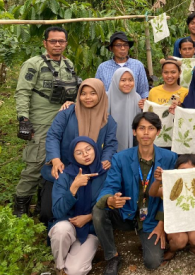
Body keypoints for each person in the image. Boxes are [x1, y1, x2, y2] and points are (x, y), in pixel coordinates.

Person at [93, 112, 178, 274]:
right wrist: (110, 199)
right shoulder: (120, 158)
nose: (146, 133)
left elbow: (173, 196)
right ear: (134, 132)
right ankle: (112, 256)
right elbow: (109, 186)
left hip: (152, 217)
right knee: (99, 209)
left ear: (158, 132)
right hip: (127, 213)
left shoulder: (170, 158)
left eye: (151, 128)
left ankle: (146, 236)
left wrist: (162, 224)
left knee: (152, 263)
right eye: (141, 128)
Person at [14, 26, 80, 217]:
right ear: (45, 43)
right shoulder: (33, 64)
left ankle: (45, 201)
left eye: (61, 41)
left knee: (59, 162)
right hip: (40, 121)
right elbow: (23, 92)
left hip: (64, 122)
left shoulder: (68, 65)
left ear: (66, 43)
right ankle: (21, 203)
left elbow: (74, 91)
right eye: (53, 41)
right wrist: (23, 119)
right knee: (36, 163)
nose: (57, 44)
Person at [42, 79, 118, 225]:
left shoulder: (108, 120)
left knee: (90, 208)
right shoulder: (68, 113)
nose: (87, 97)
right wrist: (55, 160)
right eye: (83, 93)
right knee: (48, 212)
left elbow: (111, 143)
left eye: (92, 93)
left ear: (101, 95)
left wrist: (106, 158)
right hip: (63, 169)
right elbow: (53, 135)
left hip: (91, 172)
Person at [49, 137, 107, 275]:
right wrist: (73, 187)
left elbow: (110, 207)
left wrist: (90, 217)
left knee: (76, 271)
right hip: (67, 224)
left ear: (95, 149)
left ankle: (70, 265)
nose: (85, 154)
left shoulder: (105, 174)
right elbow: (57, 211)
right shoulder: (64, 176)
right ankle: (60, 267)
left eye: (88, 149)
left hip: (90, 231)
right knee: (61, 231)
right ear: (72, 156)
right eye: (79, 152)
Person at [148, 154, 195, 262]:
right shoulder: (172, 185)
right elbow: (153, 193)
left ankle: (194, 247)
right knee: (180, 241)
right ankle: (172, 250)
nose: (186, 174)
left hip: (193, 223)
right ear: (175, 171)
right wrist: (157, 180)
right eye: (183, 170)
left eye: (191, 171)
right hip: (175, 225)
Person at [95, 31, 149, 99]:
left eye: (125, 45)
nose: (123, 48)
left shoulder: (138, 65)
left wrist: (143, 103)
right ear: (111, 48)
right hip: (109, 108)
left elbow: (144, 92)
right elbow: (97, 91)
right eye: (118, 45)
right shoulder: (103, 68)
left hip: (133, 107)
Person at [107, 68, 141, 152]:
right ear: (116, 81)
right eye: (123, 80)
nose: (127, 83)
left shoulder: (137, 98)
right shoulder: (106, 97)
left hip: (133, 143)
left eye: (130, 80)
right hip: (109, 143)